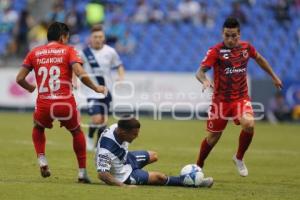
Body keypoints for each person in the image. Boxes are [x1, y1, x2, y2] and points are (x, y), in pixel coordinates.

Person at [16, 22, 106, 183]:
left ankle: (42, 158)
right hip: (65, 103)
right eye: (67, 37)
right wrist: (95, 87)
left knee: (38, 127)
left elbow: (19, 79)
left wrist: (30, 88)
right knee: (77, 131)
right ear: (62, 37)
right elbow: (79, 72)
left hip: (44, 103)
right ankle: (82, 172)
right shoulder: (69, 50)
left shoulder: (35, 52)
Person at [195, 17, 282, 177]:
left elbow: (260, 60)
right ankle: (198, 166)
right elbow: (200, 72)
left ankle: (239, 157)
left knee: (249, 124)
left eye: (233, 35)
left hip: (241, 98)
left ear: (239, 35)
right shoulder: (215, 51)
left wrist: (274, 77)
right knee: (213, 137)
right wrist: (205, 80)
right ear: (222, 34)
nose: (230, 39)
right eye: (227, 35)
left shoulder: (246, 48)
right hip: (220, 101)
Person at [95, 117, 213, 187]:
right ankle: (191, 182)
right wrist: (123, 186)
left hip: (127, 159)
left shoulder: (118, 126)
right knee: (160, 177)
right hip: (123, 175)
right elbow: (102, 175)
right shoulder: (107, 149)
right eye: (134, 134)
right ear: (123, 132)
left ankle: (141, 174)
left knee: (154, 155)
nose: (137, 136)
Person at [80, 25, 125, 151]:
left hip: (107, 91)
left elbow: (119, 65)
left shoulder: (110, 52)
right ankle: (89, 137)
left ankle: (97, 145)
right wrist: (74, 80)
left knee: (103, 122)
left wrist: (121, 77)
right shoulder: (84, 53)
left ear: (104, 38)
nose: (98, 39)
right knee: (96, 118)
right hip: (91, 91)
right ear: (91, 38)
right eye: (95, 37)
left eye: (100, 37)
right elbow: (76, 67)